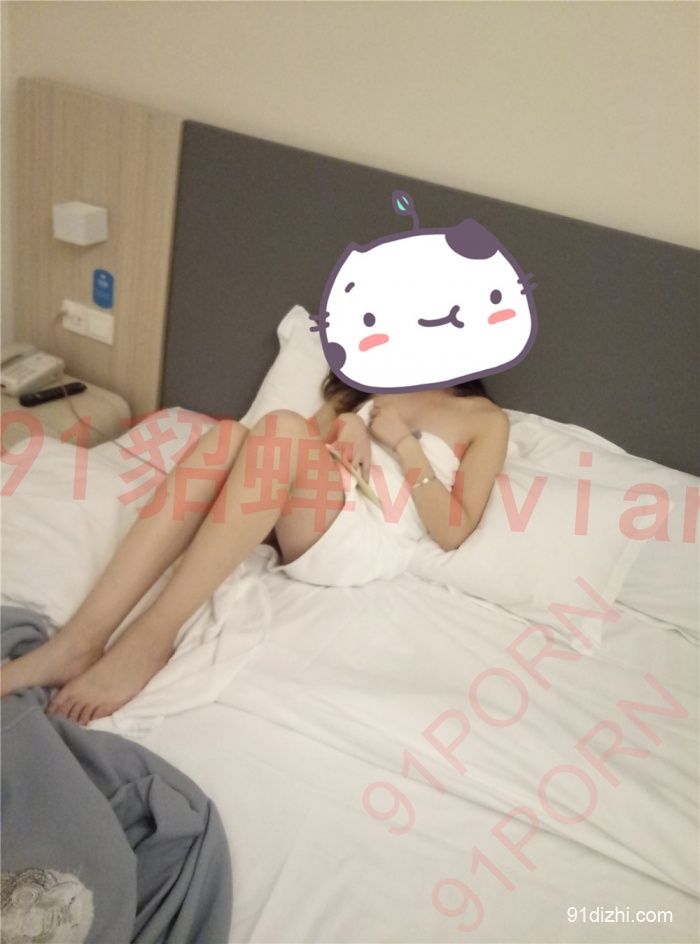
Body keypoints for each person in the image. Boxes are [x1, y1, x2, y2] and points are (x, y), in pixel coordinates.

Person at [0, 372, 508, 724]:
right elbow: (285, 449)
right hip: (310, 503)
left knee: (281, 427)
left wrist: (404, 443)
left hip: (368, 532)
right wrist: (347, 424)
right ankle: (79, 641)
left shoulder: (485, 419)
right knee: (226, 436)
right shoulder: (367, 378)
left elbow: (454, 531)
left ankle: (150, 640)